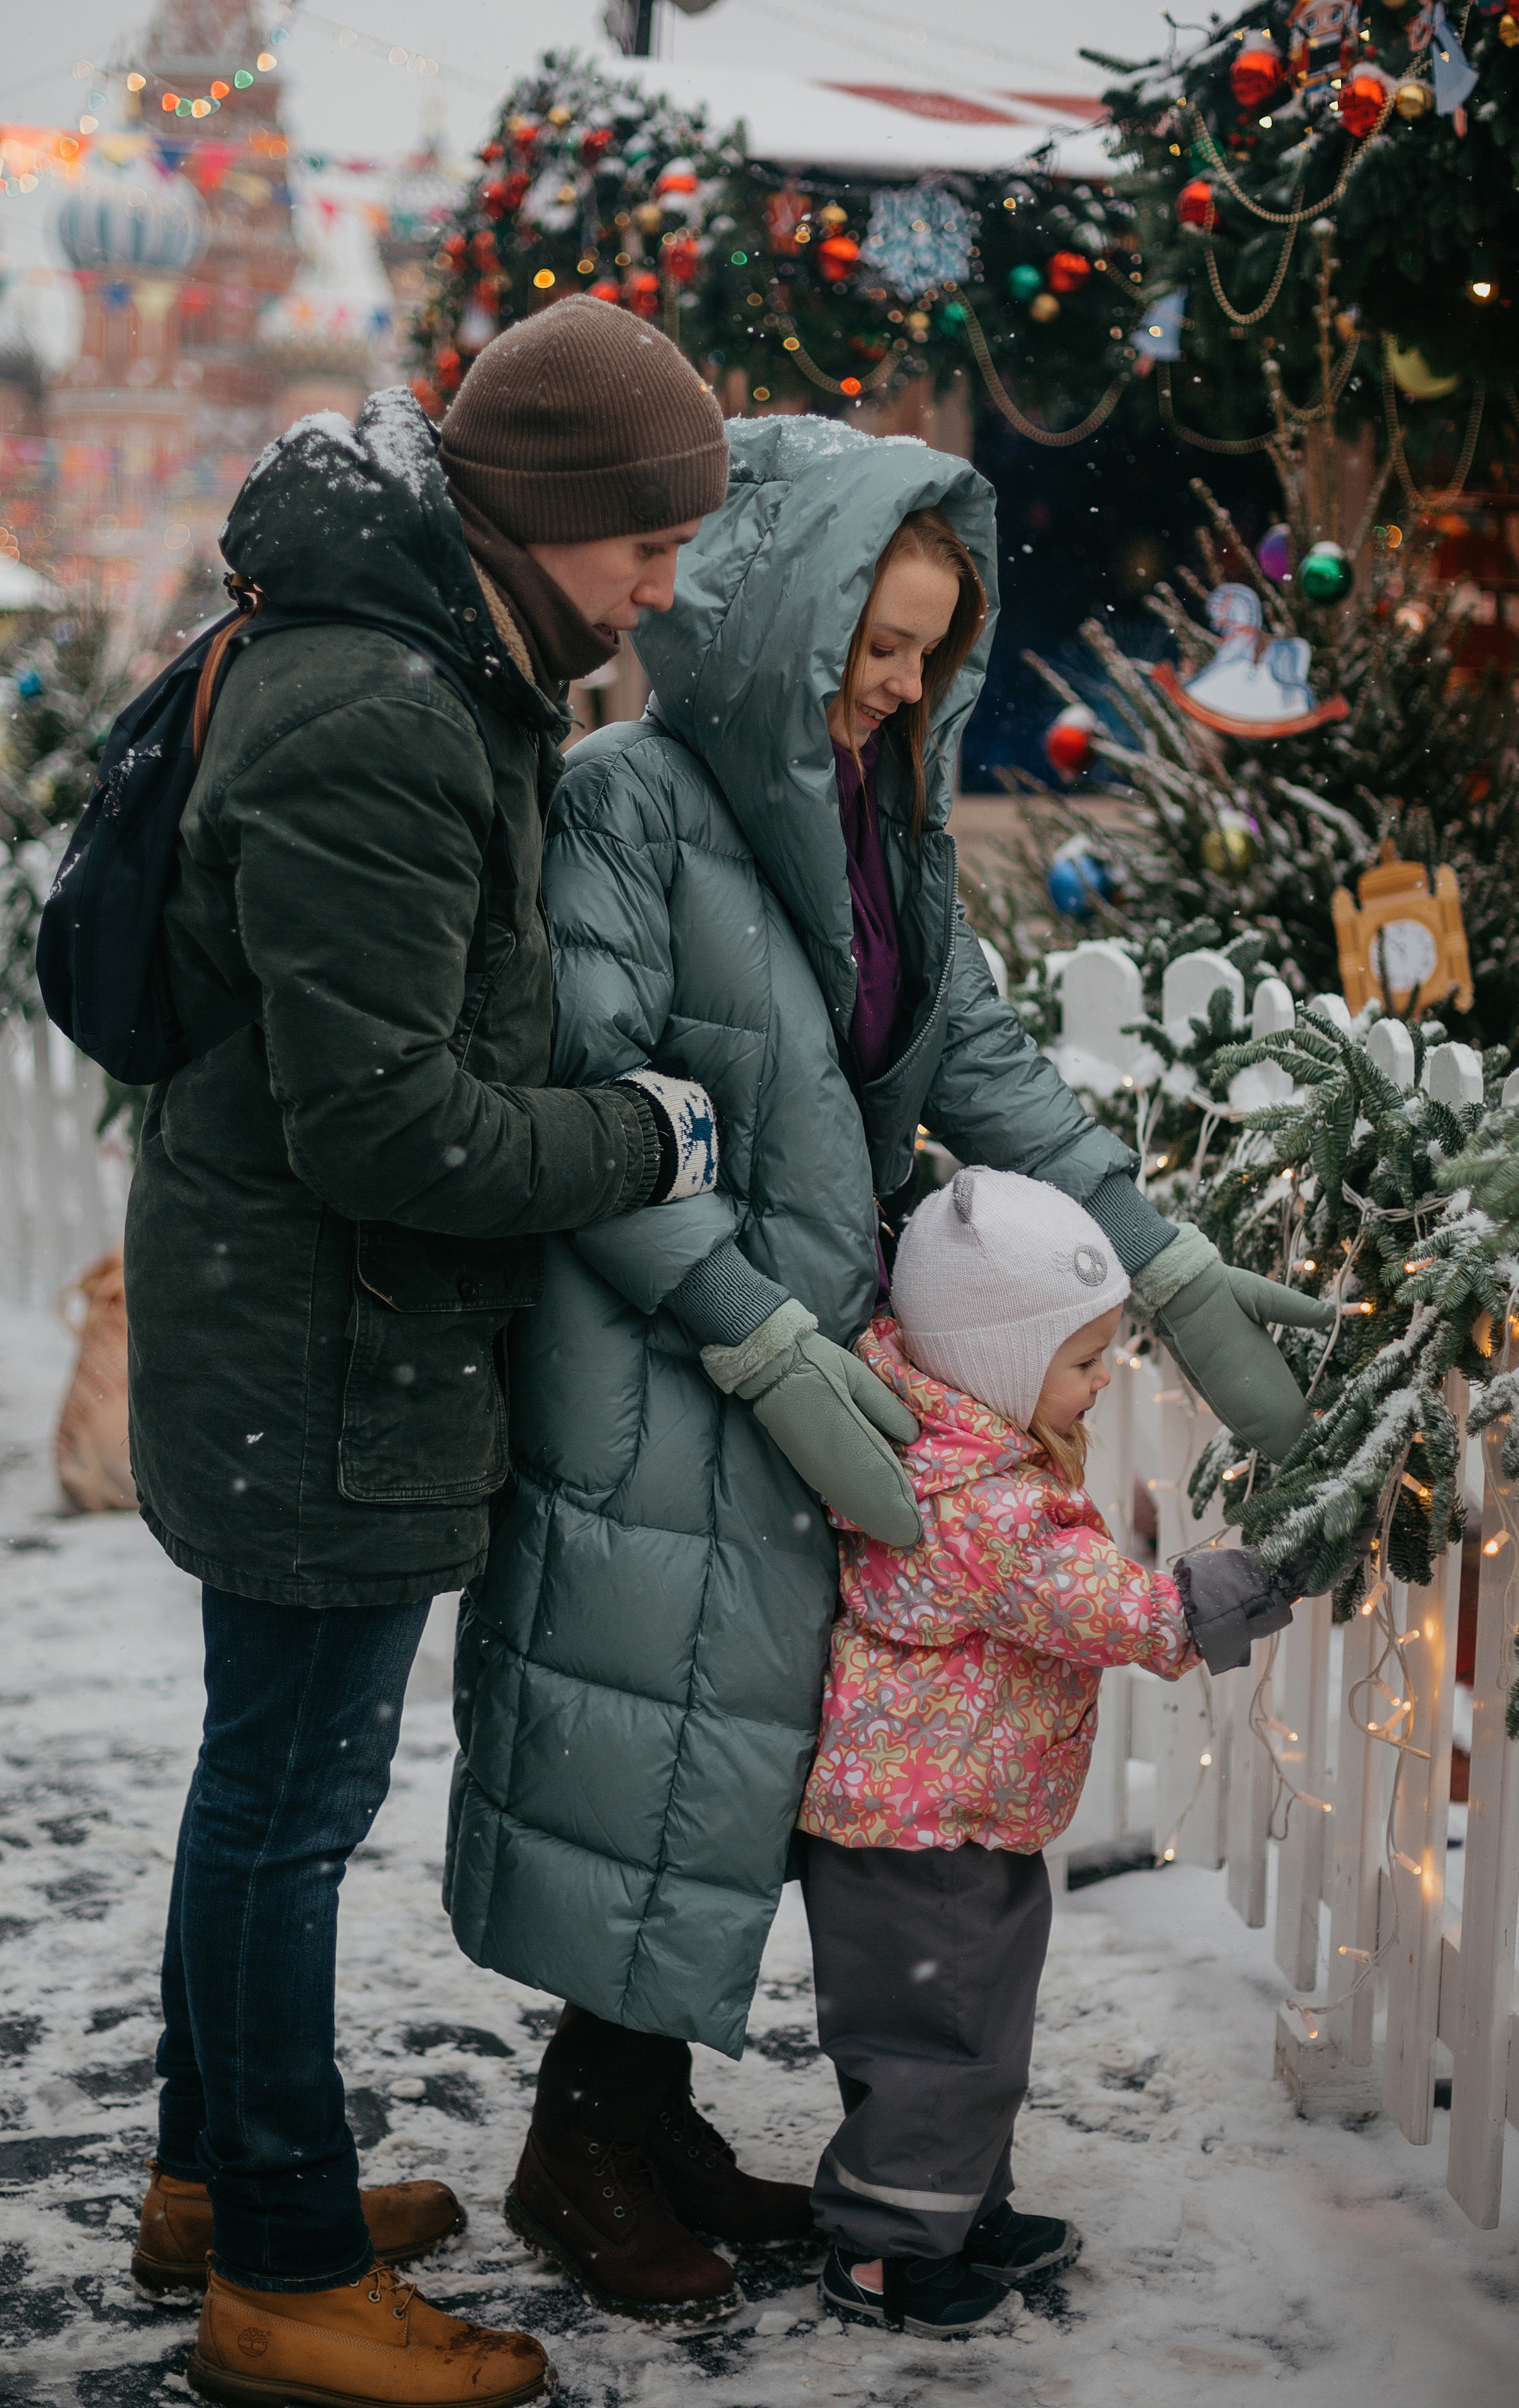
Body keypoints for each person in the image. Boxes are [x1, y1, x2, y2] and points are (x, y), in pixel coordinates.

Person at [442, 414, 1335, 2327]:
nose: (908, 684)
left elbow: (986, 1068)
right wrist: (748, 1324)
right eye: (880, 645)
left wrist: (1160, 1258)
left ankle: (651, 2122)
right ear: (781, 620)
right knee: (675, 1736)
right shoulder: (628, 804)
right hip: (666, 1344)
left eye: (934, 647)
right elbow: (589, 1100)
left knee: (763, 1748)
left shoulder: (891, 813)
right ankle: (582, 2143)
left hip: (815, 1346)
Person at [122, 300, 729, 2408]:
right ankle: (282, 2274)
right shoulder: (382, 707)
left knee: (260, 1787)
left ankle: (220, 2176)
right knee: (286, 1810)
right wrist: (645, 1131)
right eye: (647, 536)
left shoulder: (411, 664)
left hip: (301, 1326)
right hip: (325, 1342)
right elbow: (390, 1124)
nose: (667, 579)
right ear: (552, 516)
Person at [796, 1165, 1301, 2338]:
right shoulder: (979, 1502)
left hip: (946, 1818)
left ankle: (954, 2207)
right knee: (940, 2046)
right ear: (997, 1366)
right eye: (1081, 1362)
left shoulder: (954, 1445)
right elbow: (1124, 1612)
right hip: (926, 1835)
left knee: (965, 2039)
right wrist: (1265, 1579)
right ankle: (885, 2257)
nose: (1099, 1382)